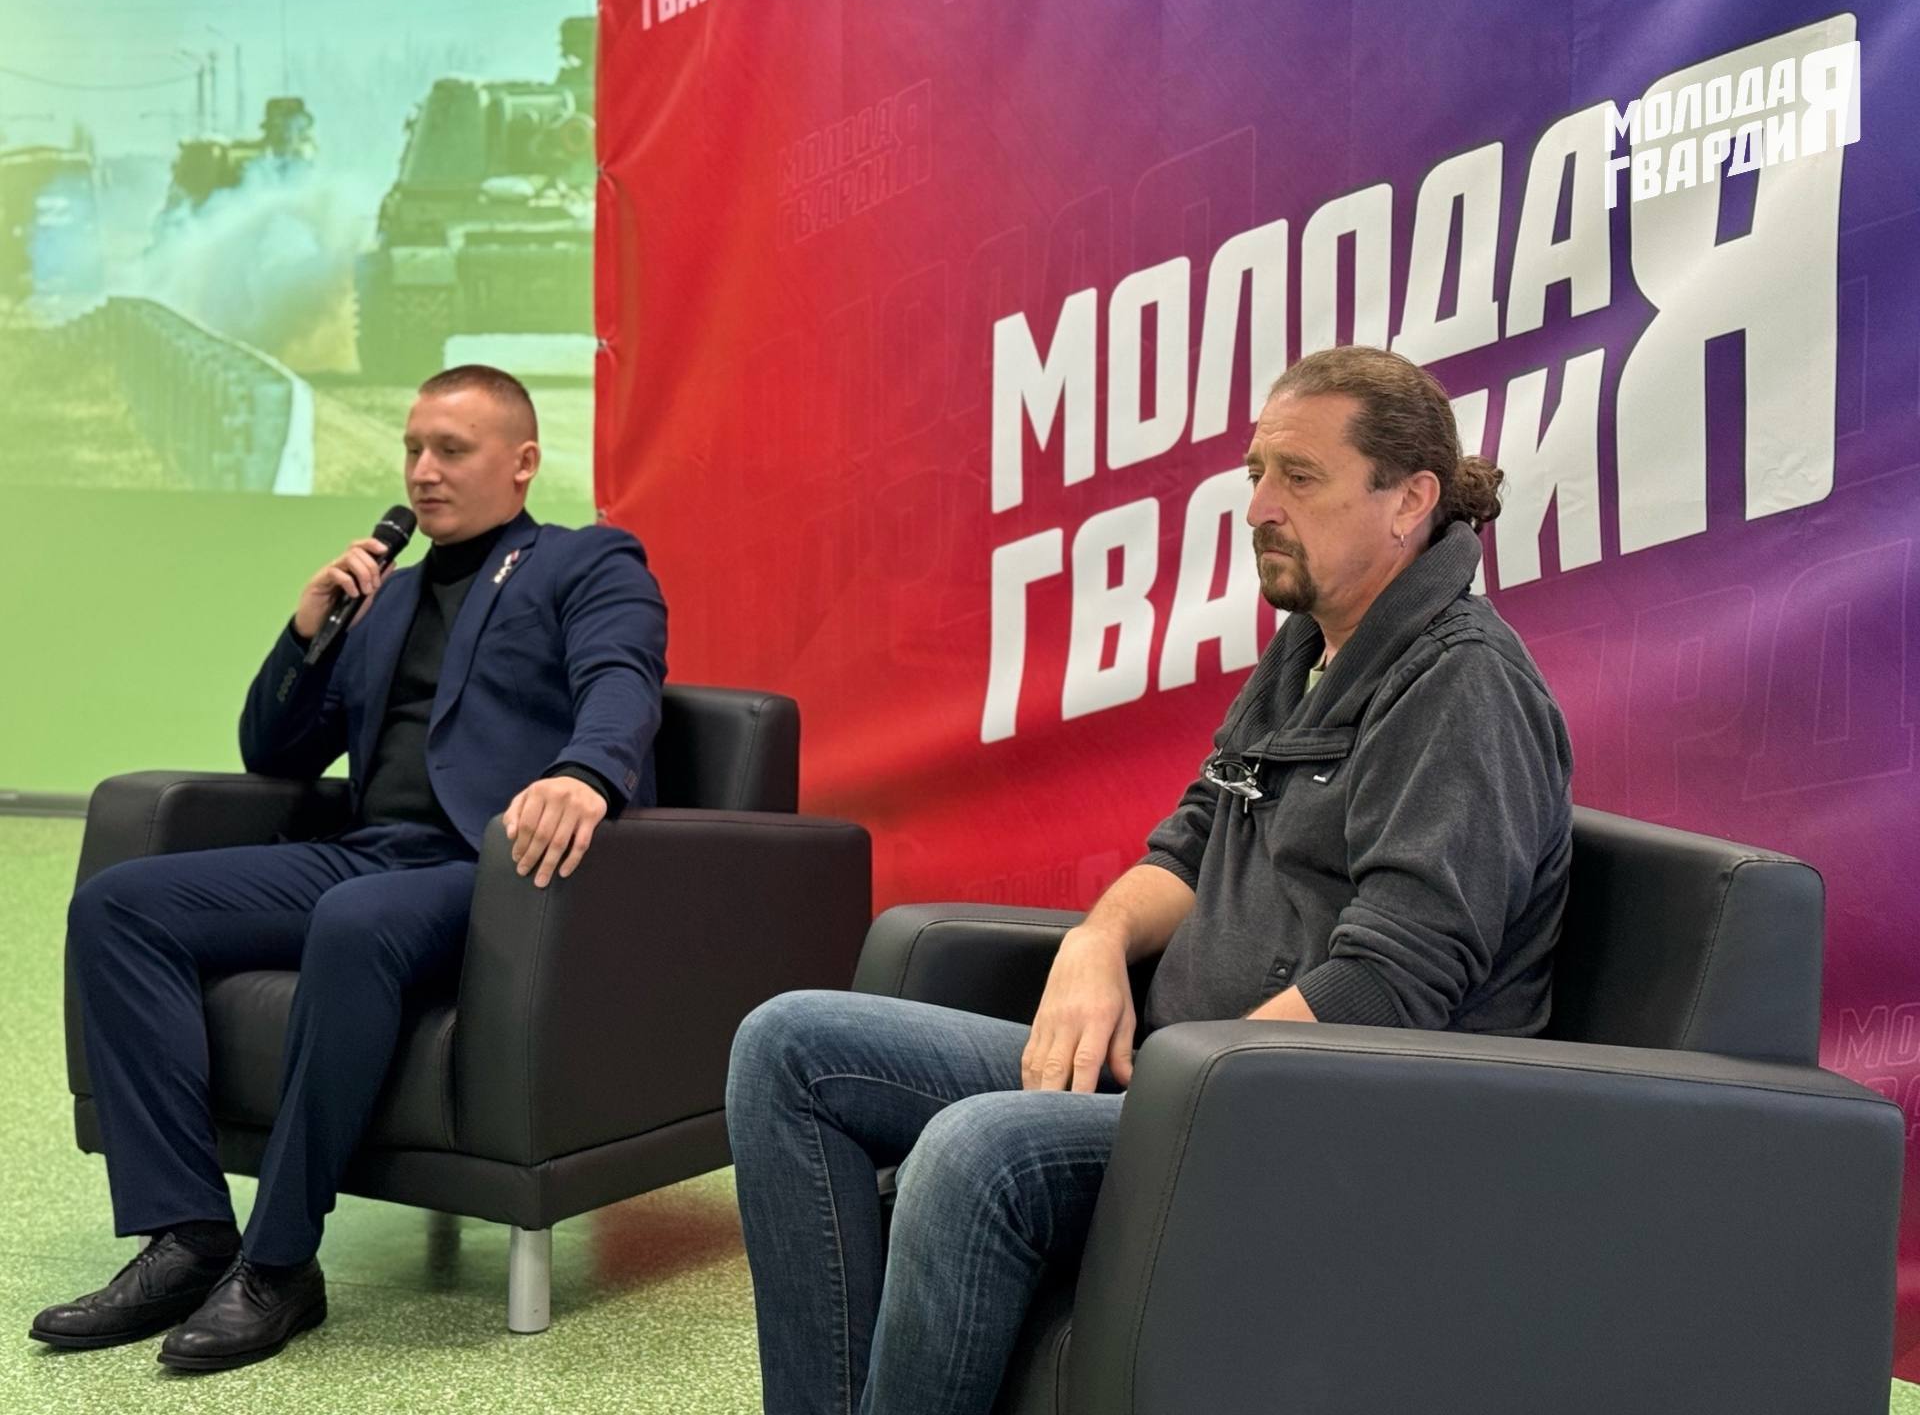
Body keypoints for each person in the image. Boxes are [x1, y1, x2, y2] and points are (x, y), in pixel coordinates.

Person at [726, 344, 1574, 1415]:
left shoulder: (1463, 686)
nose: (1258, 507)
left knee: (977, 1151)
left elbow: (1390, 986)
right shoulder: (1312, 644)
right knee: (786, 1048)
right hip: (1189, 1079)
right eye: (1256, 473)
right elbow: (1193, 843)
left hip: (1323, 1126)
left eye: (1299, 477)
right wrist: (1095, 942)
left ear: (1409, 500)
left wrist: (1185, 1082)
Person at [31, 364, 668, 1372]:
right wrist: (307, 634)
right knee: (119, 907)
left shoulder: (583, 562)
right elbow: (274, 752)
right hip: (364, 855)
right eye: (413, 449)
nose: (422, 471)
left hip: (489, 867)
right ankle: (189, 1236)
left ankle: (280, 1263)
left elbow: (621, 678)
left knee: (357, 919)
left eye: (451, 450)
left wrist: (587, 772)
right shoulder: (387, 598)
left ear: (523, 463)